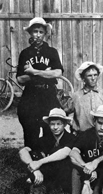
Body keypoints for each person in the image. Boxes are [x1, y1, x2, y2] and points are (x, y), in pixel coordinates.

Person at [17, 17, 63, 148]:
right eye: (35, 31)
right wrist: (44, 73)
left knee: (51, 130)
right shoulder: (25, 53)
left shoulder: (51, 52)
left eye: (41, 32)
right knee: (30, 131)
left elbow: (57, 73)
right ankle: (31, 161)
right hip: (30, 97)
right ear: (30, 33)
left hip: (48, 95)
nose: (37, 35)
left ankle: (49, 161)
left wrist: (33, 71)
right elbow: (20, 79)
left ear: (45, 34)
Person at [63, 105, 103, 194]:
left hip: (102, 171)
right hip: (86, 169)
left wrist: (96, 162)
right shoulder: (86, 134)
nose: (102, 127)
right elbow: (73, 152)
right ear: (94, 121)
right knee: (75, 166)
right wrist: (85, 166)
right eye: (100, 123)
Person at [19, 108, 75, 194]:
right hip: (47, 170)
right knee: (33, 155)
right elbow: (23, 151)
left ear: (64, 124)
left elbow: (64, 152)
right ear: (48, 125)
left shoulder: (71, 138)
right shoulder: (45, 138)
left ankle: (37, 181)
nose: (55, 127)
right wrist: (34, 168)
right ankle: (37, 179)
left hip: (64, 172)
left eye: (58, 124)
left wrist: (39, 162)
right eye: (52, 124)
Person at [71, 61, 103, 133]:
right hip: (82, 137)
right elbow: (66, 117)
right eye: (89, 76)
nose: (93, 78)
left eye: (95, 75)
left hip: (102, 137)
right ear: (83, 78)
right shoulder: (76, 96)